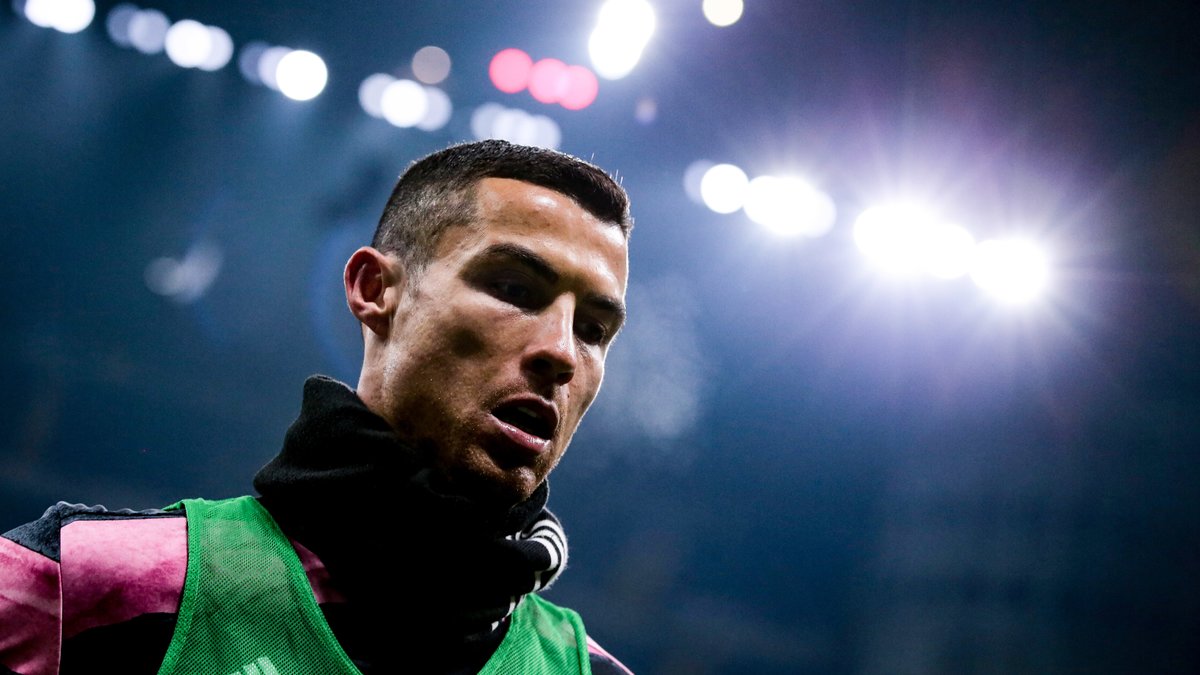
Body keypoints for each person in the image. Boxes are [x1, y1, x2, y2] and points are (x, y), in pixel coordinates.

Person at [0, 140, 635, 675]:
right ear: (374, 289)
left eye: (593, 330)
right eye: (515, 289)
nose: (562, 352)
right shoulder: (82, 586)